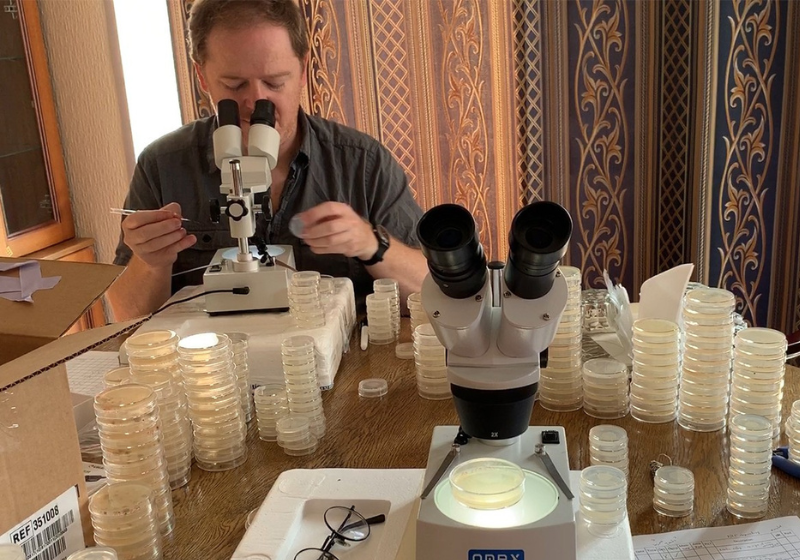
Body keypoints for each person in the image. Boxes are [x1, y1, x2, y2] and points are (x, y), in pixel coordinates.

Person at [106, 0, 428, 321]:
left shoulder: (362, 164)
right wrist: (151, 262)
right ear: (202, 77)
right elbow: (127, 317)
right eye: (234, 85)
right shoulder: (162, 167)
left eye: (274, 82)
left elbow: (430, 292)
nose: (255, 103)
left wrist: (370, 243)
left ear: (302, 71)